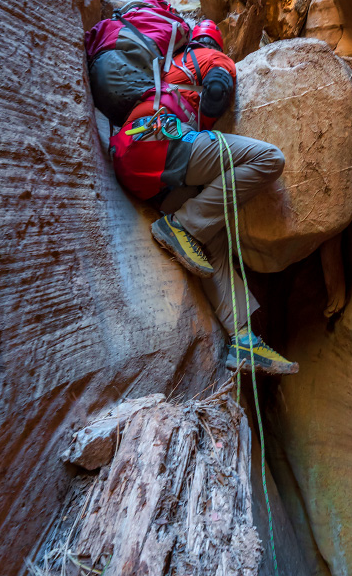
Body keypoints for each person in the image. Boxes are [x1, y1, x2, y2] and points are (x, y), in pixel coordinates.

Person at [110, 19, 299, 376]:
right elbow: (217, 88)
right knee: (269, 159)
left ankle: (242, 339)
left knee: (211, 238)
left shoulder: (166, 70)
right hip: (165, 143)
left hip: (138, 166)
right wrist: (211, 120)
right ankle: (181, 225)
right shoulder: (213, 57)